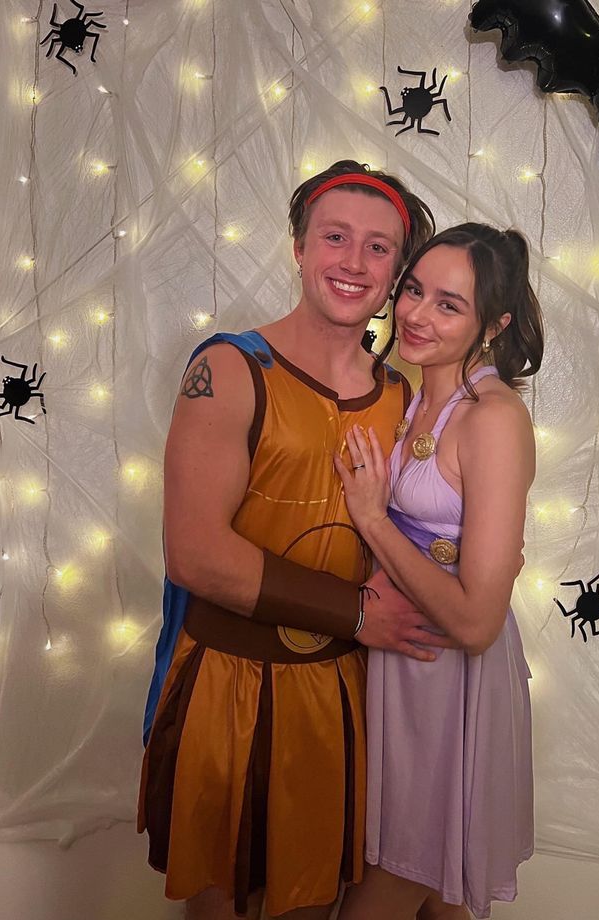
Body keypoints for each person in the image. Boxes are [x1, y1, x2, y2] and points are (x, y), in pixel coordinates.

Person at [137, 160, 451, 920]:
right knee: (229, 904)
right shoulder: (230, 367)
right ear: (299, 249)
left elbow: (426, 535)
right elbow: (197, 554)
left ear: (397, 271)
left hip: (346, 699)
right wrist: (355, 614)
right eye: (334, 237)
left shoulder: (405, 397)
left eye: (379, 248)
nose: (353, 262)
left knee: (312, 904)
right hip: (231, 691)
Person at [333, 223, 544, 920]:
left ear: (495, 323)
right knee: (433, 896)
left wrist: (373, 521)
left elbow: (477, 623)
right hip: (397, 661)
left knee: (403, 879)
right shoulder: (403, 394)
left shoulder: (494, 419)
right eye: (415, 291)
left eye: (449, 304)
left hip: (447, 680)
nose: (417, 315)